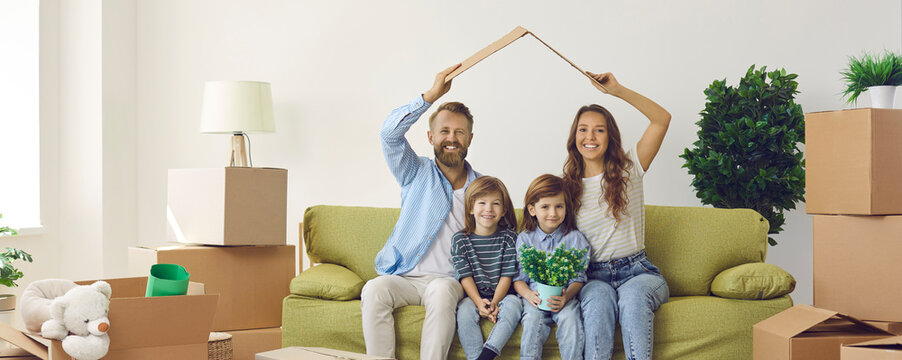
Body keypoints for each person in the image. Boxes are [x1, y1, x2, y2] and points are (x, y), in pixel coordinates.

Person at [361, 63, 480, 360]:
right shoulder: (415, 172)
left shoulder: (484, 189)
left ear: (469, 139)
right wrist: (429, 95)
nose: (451, 138)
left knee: (441, 292)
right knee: (374, 290)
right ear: (431, 137)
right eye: (444, 131)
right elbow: (389, 135)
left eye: (459, 132)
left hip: (449, 281)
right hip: (405, 277)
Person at [564, 72, 672, 360]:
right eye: (583, 129)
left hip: (638, 272)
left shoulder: (629, 169)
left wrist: (617, 90)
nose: (589, 137)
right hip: (593, 276)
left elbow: (662, 119)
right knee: (597, 304)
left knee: (633, 300)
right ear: (574, 137)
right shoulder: (566, 189)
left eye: (599, 130)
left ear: (610, 136)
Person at [513, 174, 590, 360]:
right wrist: (529, 295)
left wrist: (566, 297)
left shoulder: (575, 239)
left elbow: (578, 279)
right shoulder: (525, 239)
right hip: (535, 299)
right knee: (531, 322)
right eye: (545, 207)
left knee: (571, 321)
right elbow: (518, 280)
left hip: (564, 297)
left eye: (559, 206)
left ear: (566, 208)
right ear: (532, 209)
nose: (553, 213)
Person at [452, 176, 522, 360]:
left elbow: (507, 275)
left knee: (515, 306)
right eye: (482, 203)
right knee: (464, 311)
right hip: (473, 296)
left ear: (504, 209)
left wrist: (495, 302)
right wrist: (478, 302)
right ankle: (475, 357)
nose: (489, 209)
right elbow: (464, 275)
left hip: (504, 294)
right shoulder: (460, 240)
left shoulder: (509, 237)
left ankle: (487, 354)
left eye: (496, 204)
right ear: (470, 207)